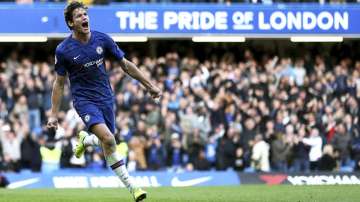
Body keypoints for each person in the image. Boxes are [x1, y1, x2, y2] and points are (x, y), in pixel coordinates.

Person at [46, 2, 161, 201]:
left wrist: (149, 85)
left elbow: (126, 65)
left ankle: (86, 139)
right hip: (84, 101)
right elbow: (59, 83)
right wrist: (53, 114)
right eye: (79, 16)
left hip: (106, 98)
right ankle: (134, 188)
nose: (84, 18)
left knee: (108, 142)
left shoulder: (102, 39)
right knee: (109, 140)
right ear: (71, 23)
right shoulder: (63, 50)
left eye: (85, 14)